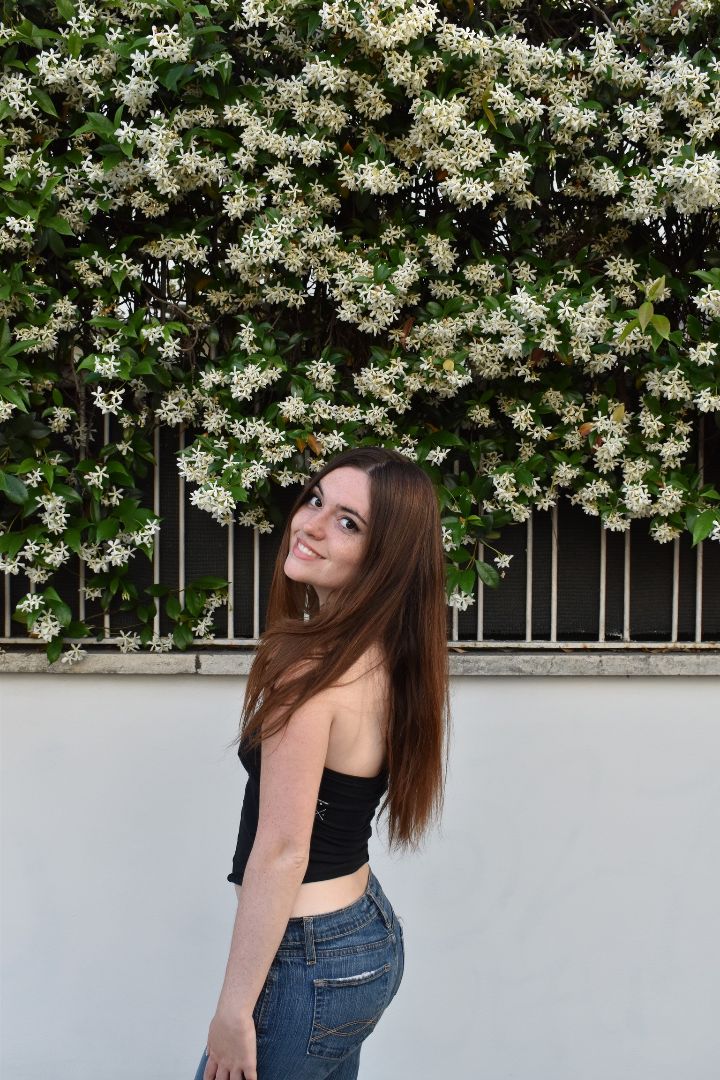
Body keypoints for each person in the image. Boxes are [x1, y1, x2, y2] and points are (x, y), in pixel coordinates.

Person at [194, 446, 450, 1080]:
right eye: (315, 500)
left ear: (384, 557)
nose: (309, 524)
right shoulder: (389, 656)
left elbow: (283, 850)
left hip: (306, 956)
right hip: (366, 935)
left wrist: (233, 1011)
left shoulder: (312, 674)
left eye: (348, 522)